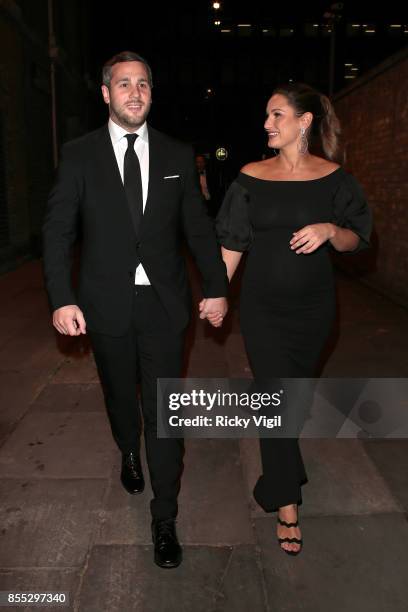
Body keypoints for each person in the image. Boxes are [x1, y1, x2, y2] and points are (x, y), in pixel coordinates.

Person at [42, 51, 228, 569]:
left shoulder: (175, 155)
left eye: (143, 84)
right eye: (123, 84)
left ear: (151, 92)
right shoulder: (79, 155)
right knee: (123, 398)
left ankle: (164, 516)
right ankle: (127, 446)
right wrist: (62, 298)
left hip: (165, 306)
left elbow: (197, 228)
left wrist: (215, 285)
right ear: (106, 93)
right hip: (105, 305)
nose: (134, 93)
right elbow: (58, 232)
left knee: (166, 414)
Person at [211, 82, 372, 555]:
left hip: (314, 312)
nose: (266, 124)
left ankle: (282, 470)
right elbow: (232, 241)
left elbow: (359, 238)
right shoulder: (249, 177)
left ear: (304, 122)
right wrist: (217, 294)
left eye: (276, 115)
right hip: (262, 310)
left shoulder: (335, 178)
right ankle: (286, 503)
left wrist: (329, 229)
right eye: (266, 116)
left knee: (291, 404)